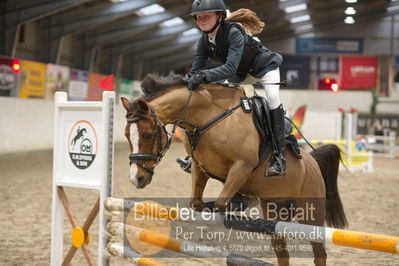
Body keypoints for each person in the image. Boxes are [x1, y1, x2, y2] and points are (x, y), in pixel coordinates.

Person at [184, 0, 285, 176]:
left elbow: (229, 68)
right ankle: (195, 154)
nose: (201, 20)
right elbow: (195, 71)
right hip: (242, 75)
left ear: (219, 17)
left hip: (265, 68)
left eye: (206, 16)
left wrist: (204, 76)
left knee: (272, 98)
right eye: (198, 17)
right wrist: (186, 82)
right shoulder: (204, 41)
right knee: (216, 99)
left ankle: (279, 155)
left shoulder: (233, 32)